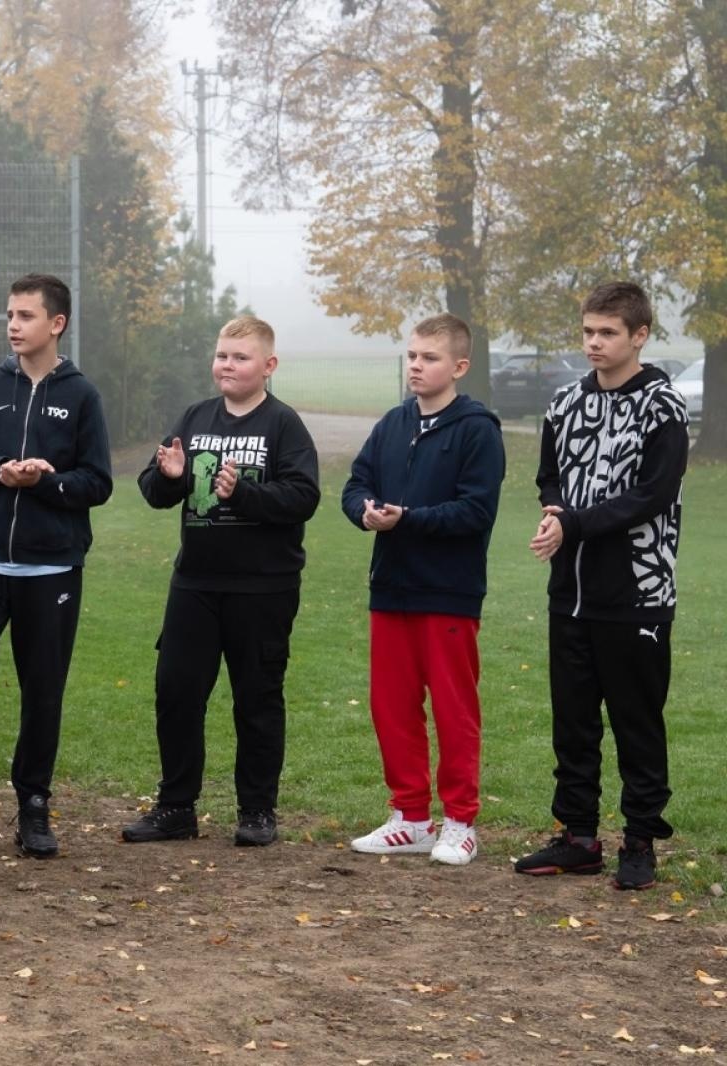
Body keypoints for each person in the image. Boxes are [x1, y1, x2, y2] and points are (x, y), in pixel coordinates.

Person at [514, 281, 689, 892]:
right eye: (588, 331)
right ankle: (579, 837)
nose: (594, 342)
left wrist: (575, 523)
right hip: (571, 592)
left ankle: (639, 841)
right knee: (573, 722)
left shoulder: (663, 407)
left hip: (638, 592)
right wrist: (553, 511)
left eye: (608, 332)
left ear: (639, 336)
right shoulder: (564, 402)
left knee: (637, 722)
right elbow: (550, 477)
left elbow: (652, 495)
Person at [122, 315, 320, 848]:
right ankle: (176, 808)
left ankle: (256, 811)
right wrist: (171, 477)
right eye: (221, 356)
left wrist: (244, 494)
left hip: (264, 588)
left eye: (240, 357)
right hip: (195, 584)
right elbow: (154, 488)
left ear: (268, 366)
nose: (227, 365)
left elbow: (303, 496)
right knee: (176, 692)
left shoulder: (283, 425)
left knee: (257, 700)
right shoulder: (195, 417)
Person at [0, 274, 114, 857]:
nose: (13, 326)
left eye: (25, 315)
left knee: (42, 692)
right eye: (9, 315)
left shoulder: (82, 395)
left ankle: (34, 805)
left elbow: (98, 481)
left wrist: (47, 482)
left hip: (52, 571)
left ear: (57, 323)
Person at [341, 313, 505, 866]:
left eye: (429, 357)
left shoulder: (478, 429)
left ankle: (460, 823)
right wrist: (364, 512)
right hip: (391, 590)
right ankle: (410, 819)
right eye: (411, 355)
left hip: (448, 593)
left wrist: (407, 519)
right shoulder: (392, 422)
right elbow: (356, 483)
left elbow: (476, 510)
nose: (416, 365)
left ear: (459, 366)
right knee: (392, 708)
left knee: (455, 711)